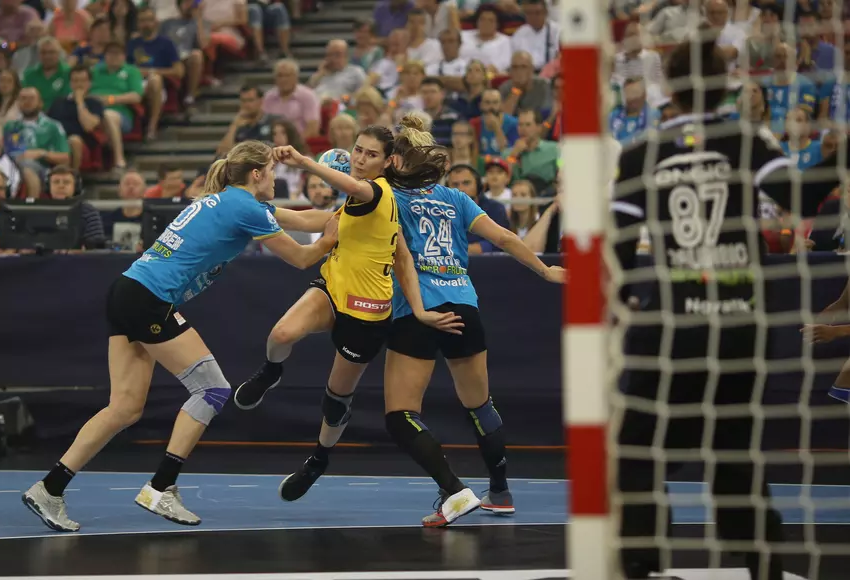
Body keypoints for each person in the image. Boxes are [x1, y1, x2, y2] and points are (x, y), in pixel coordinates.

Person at [609, 30, 847, 580]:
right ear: (726, 86)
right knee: (733, 448)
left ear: (669, 85)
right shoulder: (747, 139)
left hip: (671, 325)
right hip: (741, 325)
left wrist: (625, 298)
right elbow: (803, 199)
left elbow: (619, 242)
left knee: (638, 447)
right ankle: (763, 563)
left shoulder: (643, 151)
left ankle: (642, 561)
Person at [21, 140, 339, 533]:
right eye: (273, 174)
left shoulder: (229, 201)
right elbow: (303, 257)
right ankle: (161, 486)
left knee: (122, 408)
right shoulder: (247, 208)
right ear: (257, 175)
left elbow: (305, 219)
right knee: (213, 389)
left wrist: (351, 211)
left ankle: (49, 489)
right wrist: (331, 241)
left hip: (127, 290)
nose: (277, 180)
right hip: (150, 300)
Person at [233, 126, 462, 502]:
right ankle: (270, 372)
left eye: (371, 155)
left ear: (388, 162)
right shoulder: (358, 202)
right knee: (282, 334)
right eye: (357, 150)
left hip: (367, 314)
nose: (359, 159)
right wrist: (252, 208)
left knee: (336, 401)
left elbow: (362, 197)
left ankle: (318, 459)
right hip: (332, 290)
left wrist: (305, 162)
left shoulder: (376, 191)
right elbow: (317, 221)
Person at [384, 116, 565, 527]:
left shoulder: (388, 195)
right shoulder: (455, 198)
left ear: (397, 160)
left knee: (401, 413)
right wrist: (544, 271)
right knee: (480, 406)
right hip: (463, 303)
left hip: (418, 309)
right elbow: (503, 237)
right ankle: (500, 490)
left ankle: (454, 491)